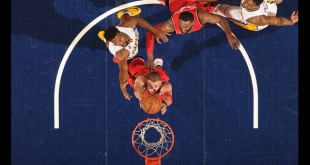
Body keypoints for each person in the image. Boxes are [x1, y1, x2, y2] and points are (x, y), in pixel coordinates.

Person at [97, 7, 170, 98]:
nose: (120, 43)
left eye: (120, 39)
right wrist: (122, 85)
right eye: (116, 42)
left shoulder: (127, 25)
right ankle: (105, 38)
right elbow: (123, 69)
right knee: (109, 44)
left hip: (127, 30)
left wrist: (156, 31)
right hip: (127, 56)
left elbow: (139, 21)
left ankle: (124, 12)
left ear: (120, 31)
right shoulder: (120, 52)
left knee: (125, 17)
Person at [146, 0, 241, 68]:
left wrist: (229, 34)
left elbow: (221, 19)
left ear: (193, 22)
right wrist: (150, 57)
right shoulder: (169, 25)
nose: (183, 30)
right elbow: (150, 32)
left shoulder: (202, 17)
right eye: (181, 26)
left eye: (186, 27)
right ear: (178, 21)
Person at [212, 0, 299, 31]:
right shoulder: (250, 3)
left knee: (226, 11)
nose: (245, 4)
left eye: (249, 5)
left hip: (255, 24)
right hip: (269, 6)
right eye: (246, 1)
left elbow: (279, 21)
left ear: (256, 6)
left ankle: (215, 10)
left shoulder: (255, 19)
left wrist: (291, 22)